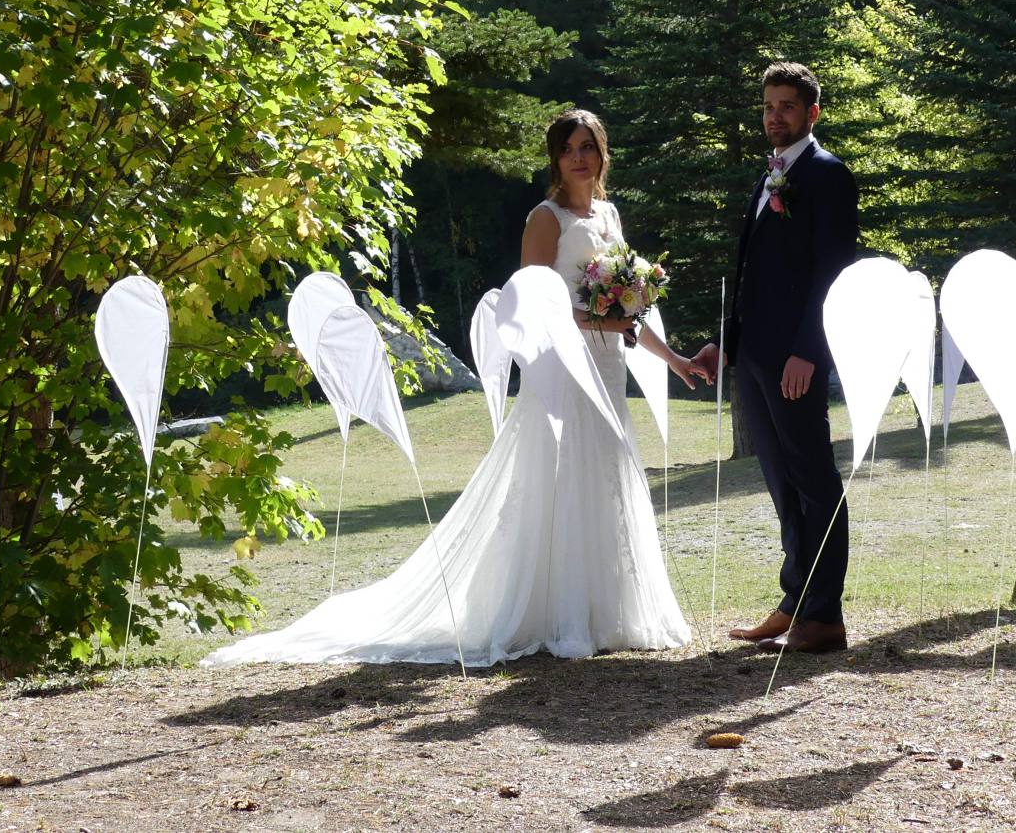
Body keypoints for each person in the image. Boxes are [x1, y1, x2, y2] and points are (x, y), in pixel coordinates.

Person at [203, 108, 711, 668]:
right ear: (555, 158)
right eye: (568, 148)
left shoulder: (610, 215)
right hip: (561, 371)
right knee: (560, 481)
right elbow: (537, 308)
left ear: (602, 152)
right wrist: (605, 322)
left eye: (587, 145)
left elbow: (628, 312)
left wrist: (677, 360)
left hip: (607, 366)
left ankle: (609, 612)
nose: (579, 157)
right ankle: (555, 614)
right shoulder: (546, 220)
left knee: (606, 475)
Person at [697, 62, 858, 655]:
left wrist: (807, 353)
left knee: (815, 482)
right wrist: (726, 341)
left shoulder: (828, 175)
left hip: (795, 360)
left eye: (787, 106)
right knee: (782, 484)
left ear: (812, 113)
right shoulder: (769, 177)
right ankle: (795, 601)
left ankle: (824, 618)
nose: (775, 117)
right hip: (756, 358)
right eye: (768, 106)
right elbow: (750, 277)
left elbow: (831, 275)